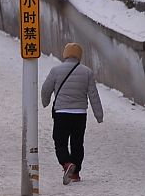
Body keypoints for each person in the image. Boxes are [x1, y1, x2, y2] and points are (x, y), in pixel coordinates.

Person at [40, 42, 103, 185]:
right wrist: (99, 115)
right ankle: (75, 173)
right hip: (80, 114)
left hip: (62, 113)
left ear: (65, 54)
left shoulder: (56, 70)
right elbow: (93, 95)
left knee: (60, 141)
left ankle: (66, 164)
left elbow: (46, 89)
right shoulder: (87, 72)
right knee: (77, 143)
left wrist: (45, 102)